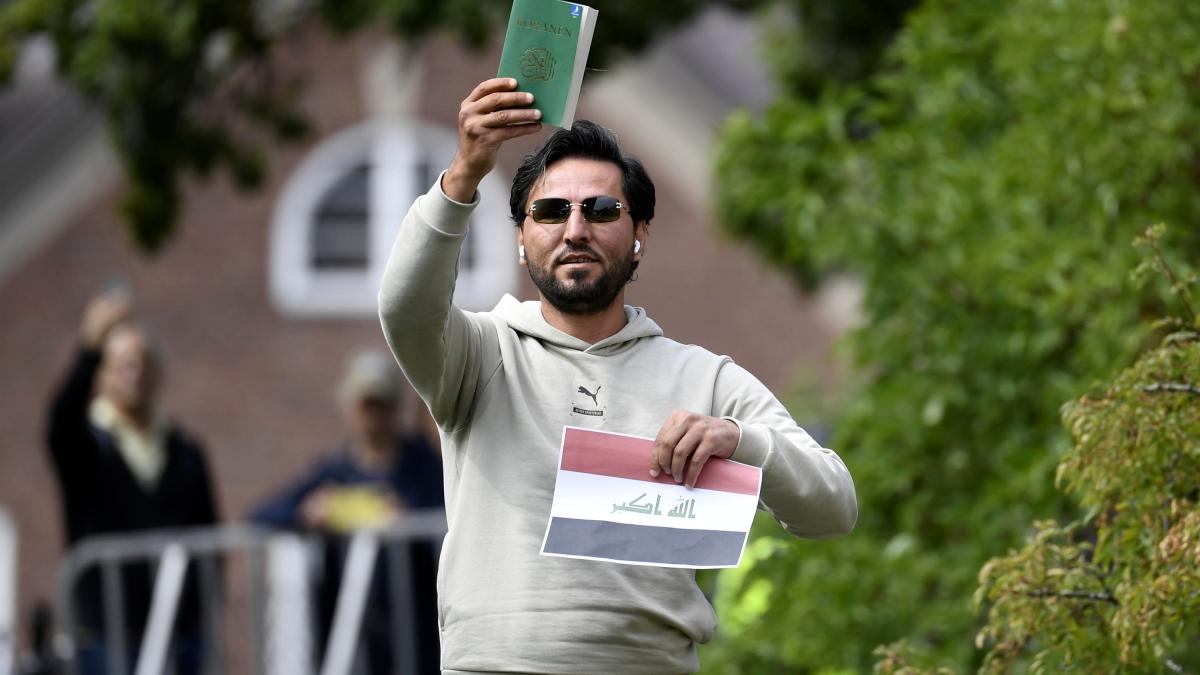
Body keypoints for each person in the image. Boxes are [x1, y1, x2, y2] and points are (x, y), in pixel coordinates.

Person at [378, 78, 859, 674]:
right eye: (551, 211)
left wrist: (741, 441)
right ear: (522, 240)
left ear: (639, 238)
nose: (575, 229)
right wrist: (463, 175)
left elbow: (834, 507)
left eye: (602, 210)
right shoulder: (478, 353)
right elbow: (404, 307)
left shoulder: (704, 378)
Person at [45, 291, 219, 675]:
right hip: (107, 637)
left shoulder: (184, 451)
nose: (133, 373)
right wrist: (88, 348)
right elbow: (59, 424)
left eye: (141, 363)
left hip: (179, 636)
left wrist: (199, 613)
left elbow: (209, 535)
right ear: (101, 373)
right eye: (121, 364)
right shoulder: (86, 445)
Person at [250, 349, 443, 675]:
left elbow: (450, 521)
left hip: (416, 634)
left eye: (381, 404)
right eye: (365, 405)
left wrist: (407, 519)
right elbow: (263, 515)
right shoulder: (334, 472)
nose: (373, 415)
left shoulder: (423, 467)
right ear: (348, 407)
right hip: (349, 634)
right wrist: (309, 513)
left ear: (396, 407)